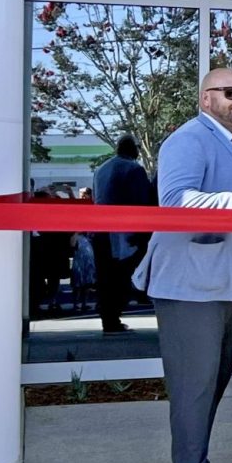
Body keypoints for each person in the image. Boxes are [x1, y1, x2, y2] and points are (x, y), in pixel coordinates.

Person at [132, 68, 232, 463]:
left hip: (226, 281)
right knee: (194, 384)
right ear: (205, 98)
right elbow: (175, 199)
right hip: (190, 283)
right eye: (231, 92)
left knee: (212, 382)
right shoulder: (189, 139)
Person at [92, 134, 155, 333]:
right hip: (124, 233)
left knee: (104, 276)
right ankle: (117, 312)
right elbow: (143, 201)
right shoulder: (134, 169)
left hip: (100, 230)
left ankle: (108, 318)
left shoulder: (101, 169)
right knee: (121, 275)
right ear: (133, 149)